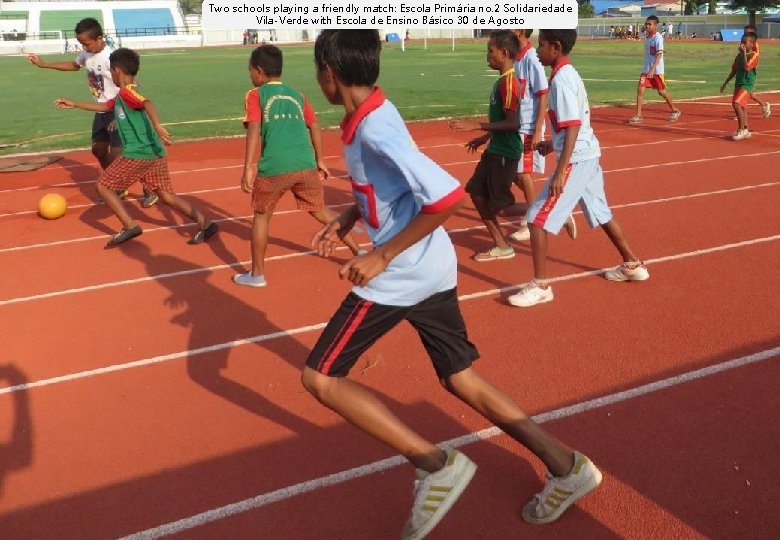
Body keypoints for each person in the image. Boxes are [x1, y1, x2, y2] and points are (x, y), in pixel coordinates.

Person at [304, 29, 602, 540]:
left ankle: (434, 464)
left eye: (317, 74)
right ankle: (568, 467)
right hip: (431, 267)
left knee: (321, 379)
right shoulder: (370, 113)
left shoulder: (374, 127)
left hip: (404, 272)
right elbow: (396, 185)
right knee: (460, 377)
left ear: (328, 73)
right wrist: (353, 215)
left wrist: (381, 254)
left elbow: (443, 198)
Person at [508, 29, 649, 308]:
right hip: (586, 153)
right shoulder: (566, 74)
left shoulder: (561, 80)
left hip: (578, 158)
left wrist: (560, 170)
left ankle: (540, 285)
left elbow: (572, 126)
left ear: (556, 47)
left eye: (543, 45)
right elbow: (572, 124)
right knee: (601, 212)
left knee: (537, 218)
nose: (538, 50)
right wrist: (553, 144)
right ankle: (633, 265)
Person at [55, 48, 218, 248]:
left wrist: (157, 126)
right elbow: (106, 107)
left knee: (103, 186)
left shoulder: (127, 92)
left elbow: (146, 103)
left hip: (138, 152)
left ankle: (130, 225)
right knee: (166, 195)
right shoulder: (122, 96)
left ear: (116, 70)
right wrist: (74, 104)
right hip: (154, 152)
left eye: (111, 71)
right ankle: (205, 223)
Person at [233, 44, 361, 288]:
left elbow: (254, 129)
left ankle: (257, 274)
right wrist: (320, 160)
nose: (250, 75)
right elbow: (314, 125)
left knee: (261, 217)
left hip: (275, 167)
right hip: (305, 164)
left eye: (250, 70)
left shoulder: (254, 95)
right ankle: (358, 251)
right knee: (320, 209)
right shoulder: (297, 94)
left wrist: (248, 167)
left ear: (259, 71)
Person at [28, 18, 157, 207]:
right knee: (98, 149)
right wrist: (44, 64)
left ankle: (149, 187)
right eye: (81, 43)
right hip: (101, 109)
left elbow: (133, 85)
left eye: (86, 43)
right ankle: (118, 186)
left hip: (117, 109)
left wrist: (123, 112)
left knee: (121, 156)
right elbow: (74, 65)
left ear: (99, 38)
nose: (83, 47)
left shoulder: (111, 57)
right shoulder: (87, 54)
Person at [449, 30, 528, 261]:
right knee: (477, 194)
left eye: (490, 51)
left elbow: (513, 123)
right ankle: (502, 246)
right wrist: (484, 138)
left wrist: (477, 126)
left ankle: (549, 211)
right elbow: (501, 120)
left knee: (500, 206)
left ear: (504, 53)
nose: (487, 57)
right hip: (495, 149)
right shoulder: (502, 81)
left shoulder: (510, 83)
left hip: (506, 153)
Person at [509, 29, 576, 243]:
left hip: (528, 127)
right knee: (511, 171)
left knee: (521, 174)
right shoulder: (517, 58)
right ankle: (556, 212)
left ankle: (532, 220)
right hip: (517, 124)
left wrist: (538, 128)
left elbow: (542, 93)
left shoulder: (532, 59)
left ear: (520, 31)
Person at [627, 15, 681, 124]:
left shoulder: (658, 37)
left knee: (661, 91)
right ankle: (639, 115)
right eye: (646, 24)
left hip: (656, 70)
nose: (647, 26)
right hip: (646, 69)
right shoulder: (647, 37)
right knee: (640, 90)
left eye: (649, 24)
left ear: (655, 26)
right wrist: (647, 69)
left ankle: (675, 110)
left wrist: (652, 69)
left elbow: (659, 55)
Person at [720, 32, 760, 140]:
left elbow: (747, 67)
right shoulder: (739, 56)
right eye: (741, 42)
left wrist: (743, 53)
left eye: (744, 42)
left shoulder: (754, 55)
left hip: (747, 84)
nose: (742, 44)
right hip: (738, 83)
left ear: (752, 44)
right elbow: (734, 70)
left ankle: (741, 129)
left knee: (736, 104)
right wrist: (726, 82)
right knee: (741, 106)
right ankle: (746, 129)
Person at [742, 24, 771, 118]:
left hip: (750, 69)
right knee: (746, 92)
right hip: (744, 68)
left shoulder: (755, 44)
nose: (746, 33)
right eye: (745, 32)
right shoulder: (745, 42)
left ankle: (762, 105)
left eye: (748, 32)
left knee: (745, 91)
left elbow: (755, 56)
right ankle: (763, 104)